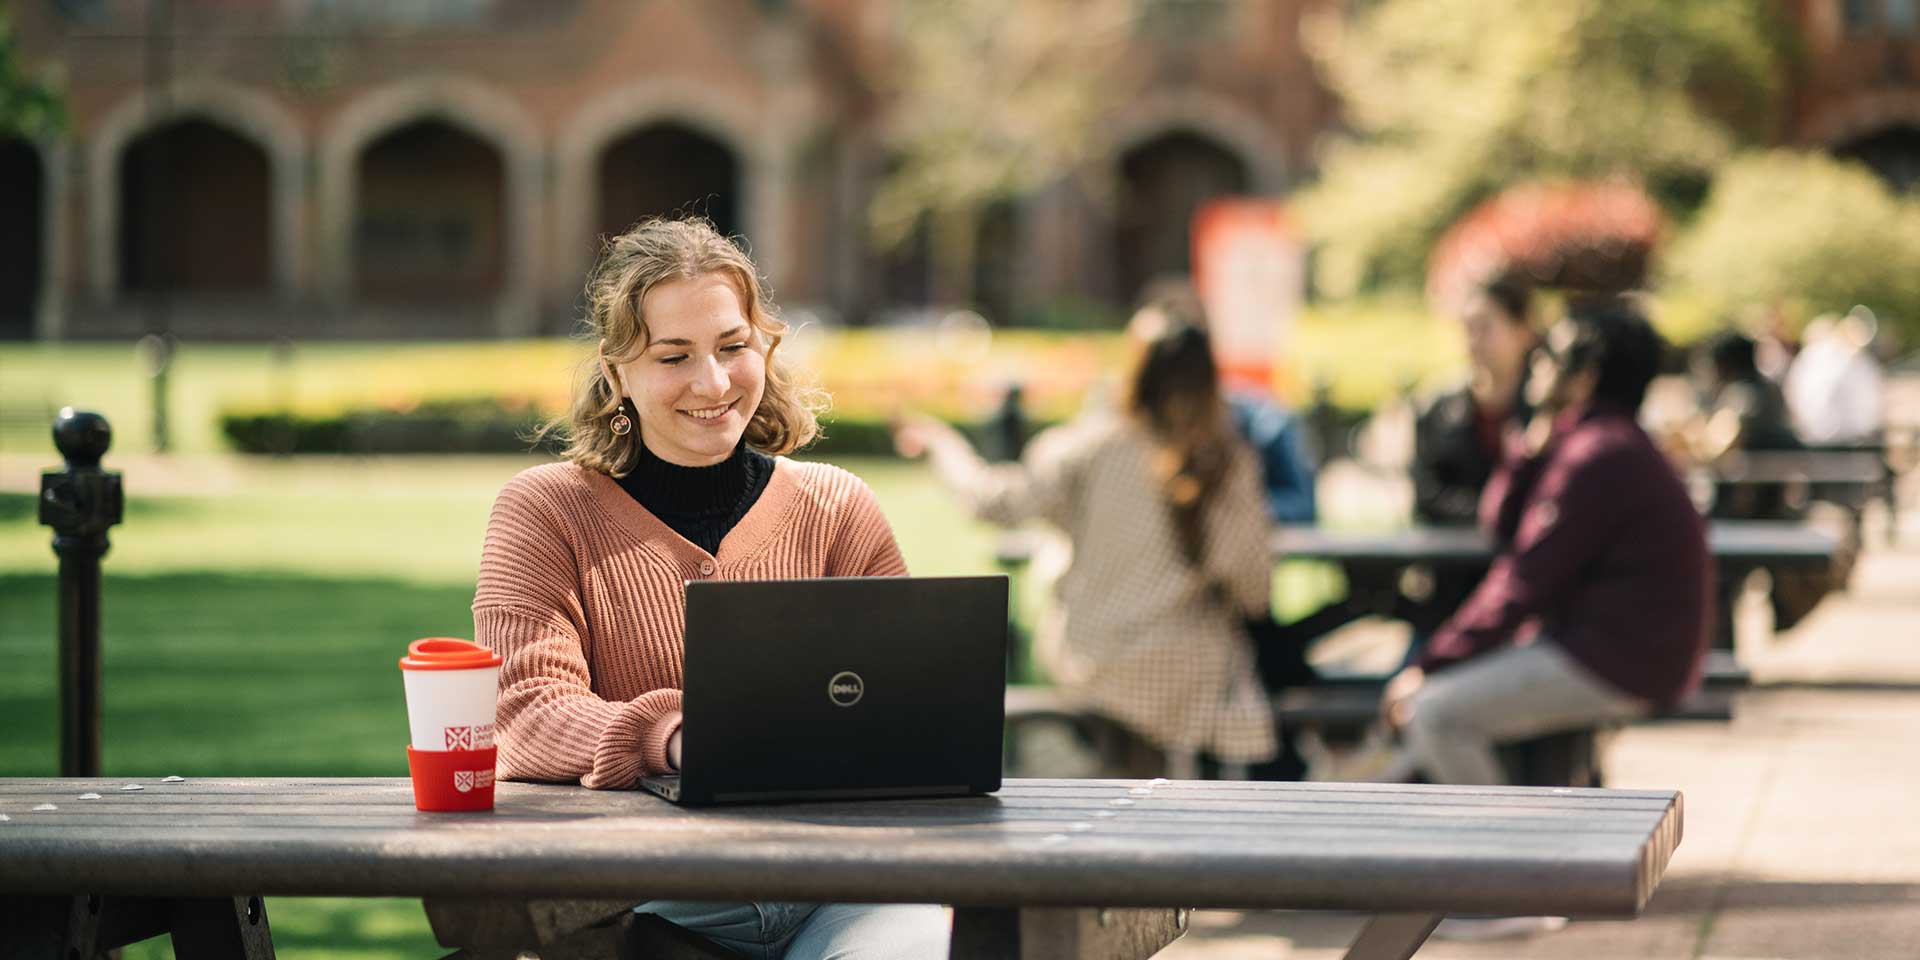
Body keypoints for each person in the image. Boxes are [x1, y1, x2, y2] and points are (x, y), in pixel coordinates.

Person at [474, 218, 948, 960]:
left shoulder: (836, 506)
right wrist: (677, 738)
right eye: (674, 356)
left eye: (733, 346)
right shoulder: (544, 511)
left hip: (845, 884)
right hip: (650, 898)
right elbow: (525, 711)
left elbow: (908, 703)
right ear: (616, 369)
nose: (713, 382)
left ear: (765, 344)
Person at [895, 316, 1280, 779]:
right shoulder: (1226, 461)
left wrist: (944, 446)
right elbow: (1255, 591)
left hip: (1092, 662)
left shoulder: (1089, 445)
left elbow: (995, 501)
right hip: (1187, 679)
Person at [1382, 295, 1713, 789]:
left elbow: (1522, 581)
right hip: (1619, 650)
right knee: (1436, 716)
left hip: (1621, 660)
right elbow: (1501, 524)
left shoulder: (1597, 455)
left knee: (1432, 712)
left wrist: (1428, 664)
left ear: (1584, 376)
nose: (1538, 363)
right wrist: (1533, 442)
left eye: (1552, 355)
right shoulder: (1596, 441)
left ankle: (1507, 858)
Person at [1400, 277, 1540, 655]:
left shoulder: (1548, 413)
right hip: (1451, 596)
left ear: (1523, 331)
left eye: (1486, 327)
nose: (1473, 341)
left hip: (1531, 598)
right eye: (1468, 328)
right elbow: (1427, 498)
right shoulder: (1436, 409)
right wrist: (1499, 515)